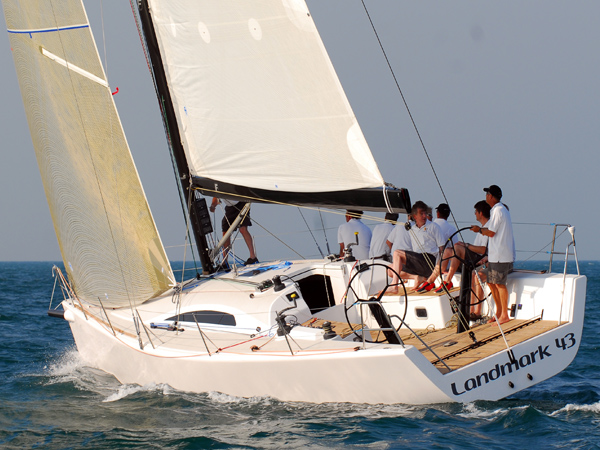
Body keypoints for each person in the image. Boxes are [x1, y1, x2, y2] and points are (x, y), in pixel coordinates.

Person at [419, 200, 490, 294]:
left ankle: (447, 281)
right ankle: (430, 281)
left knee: (457, 248)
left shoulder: (487, 228)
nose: (474, 214)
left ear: (480, 213)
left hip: (480, 261)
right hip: (474, 258)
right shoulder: (480, 227)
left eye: (475, 212)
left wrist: (466, 245)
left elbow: (483, 250)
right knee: (448, 250)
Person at [471, 185, 515, 325]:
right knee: (491, 281)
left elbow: (491, 232)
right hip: (497, 256)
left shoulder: (498, 210)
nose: (486, 197)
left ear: (490, 196)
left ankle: (504, 315)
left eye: (487, 195)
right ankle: (498, 313)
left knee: (499, 284)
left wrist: (478, 230)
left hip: (501, 256)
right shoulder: (500, 210)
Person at [387, 201, 445, 293]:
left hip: (428, 261)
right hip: (417, 262)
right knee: (390, 269)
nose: (424, 216)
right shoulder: (412, 228)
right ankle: (417, 277)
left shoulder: (434, 227)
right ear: (415, 216)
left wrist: (441, 267)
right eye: (421, 214)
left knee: (397, 253)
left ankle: (394, 285)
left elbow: (442, 249)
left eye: (425, 213)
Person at [210, 198, 258, 266]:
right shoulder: (217, 187)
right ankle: (225, 262)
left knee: (243, 229)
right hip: (230, 208)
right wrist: (213, 206)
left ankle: (253, 257)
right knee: (225, 232)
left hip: (242, 203)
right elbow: (215, 196)